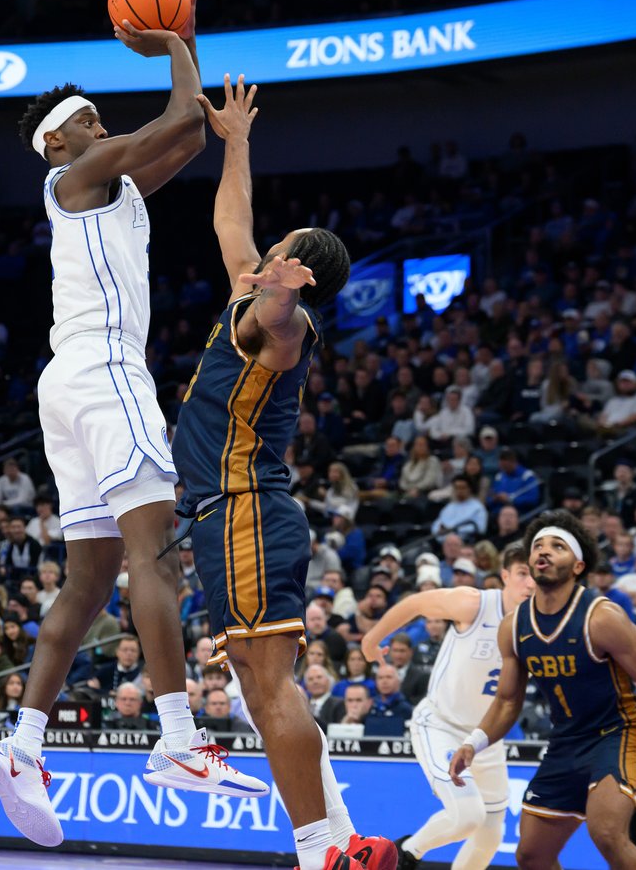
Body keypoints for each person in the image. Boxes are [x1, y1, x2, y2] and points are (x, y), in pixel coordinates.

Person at [0, 0, 258, 853]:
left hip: (68, 384)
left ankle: (22, 746)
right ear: (59, 138)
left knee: (89, 577)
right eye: (90, 120)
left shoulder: (113, 186)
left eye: (100, 120)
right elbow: (176, 120)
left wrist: (197, 58)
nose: (101, 127)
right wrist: (169, 40)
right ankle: (178, 738)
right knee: (154, 557)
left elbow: (187, 136)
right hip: (104, 373)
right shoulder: (77, 170)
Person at [156, 75, 389, 870]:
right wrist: (238, 141)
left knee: (270, 683)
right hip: (226, 515)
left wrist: (288, 297)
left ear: (297, 269)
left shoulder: (281, 325)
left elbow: (281, 322)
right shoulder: (247, 290)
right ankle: (336, 843)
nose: (265, 254)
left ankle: (326, 847)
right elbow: (231, 219)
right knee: (262, 690)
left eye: (280, 254)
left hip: (247, 509)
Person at [449, 511, 636, 870]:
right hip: (566, 740)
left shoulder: (602, 617)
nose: (543, 552)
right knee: (531, 855)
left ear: (579, 565)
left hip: (619, 731)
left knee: (608, 833)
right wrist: (474, 742)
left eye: (557, 546)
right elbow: (507, 701)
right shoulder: (514, 627)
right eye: (537, 546)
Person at [361, 543, 536, 870]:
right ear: (505, 576)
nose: (530, 583)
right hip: (441, 726)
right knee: (468, 817)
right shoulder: (475, 604)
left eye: (535, 575)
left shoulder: (538, 623)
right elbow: (416, 603)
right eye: (522, 574)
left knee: (490, 835)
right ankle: (406, 854)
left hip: (486, 737)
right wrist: (371, 640)